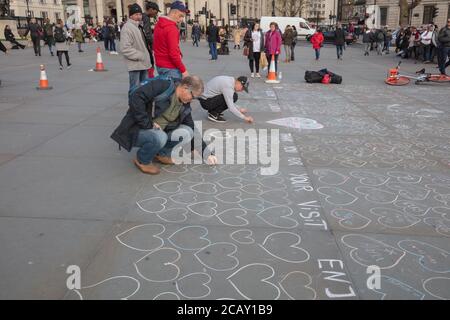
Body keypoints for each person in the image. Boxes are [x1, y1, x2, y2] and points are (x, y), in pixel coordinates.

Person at [111, 76, 217, 174]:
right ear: (185, 88)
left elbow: (191, 126)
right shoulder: (163, 86)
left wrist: (206, 152)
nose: (192, 100)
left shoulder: (184, 103)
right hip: (138, 129)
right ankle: (142, 160)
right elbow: (136, 97)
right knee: (160, 137)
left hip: (160, 131)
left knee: (187, 131)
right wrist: (148, 124)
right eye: (192, 96)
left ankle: (161, 154)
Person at [153, 1, 188, 80]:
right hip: (171, 68)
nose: (181, 19)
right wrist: (184, 71)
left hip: (160, 65)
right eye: (181, 16)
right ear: (174, 13)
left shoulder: (158, 24)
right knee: (174, 91)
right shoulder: (172, 29)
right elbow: (173, 54)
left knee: (166, 90)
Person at [120, 3, 151, 92]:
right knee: (135, 89)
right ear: (131, 16)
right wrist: (141, 55)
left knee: (144, 88)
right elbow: (125, 48)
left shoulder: (139, 26)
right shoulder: (127, 28)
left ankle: (141, 105)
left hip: (143, 63)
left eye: (140, 14)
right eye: (136, 14)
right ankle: (133, 106)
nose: (139, 16)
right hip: (135, 64)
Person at [142, 1, 161, 72]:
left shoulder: (142, 16)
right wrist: (152, 44)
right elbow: (147, 34)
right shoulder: (146, 18)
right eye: (155, 12)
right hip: (146, 47)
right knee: (149, 66)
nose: (156, 14)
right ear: (150, 10)